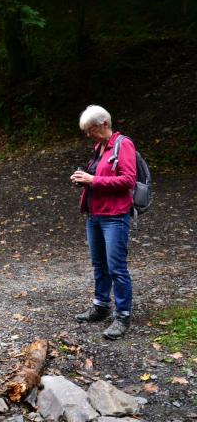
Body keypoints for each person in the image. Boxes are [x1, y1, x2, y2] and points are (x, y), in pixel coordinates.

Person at [71, 105, 137, 340]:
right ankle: (100, 306)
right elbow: (100, 177)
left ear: (104, 125)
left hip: (115, 217)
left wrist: (93, 179)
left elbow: (128, 180)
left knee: (116, 267)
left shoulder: (123, 145)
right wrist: (84, 180)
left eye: (91, 130)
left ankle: (123, 315)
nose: (88, 135)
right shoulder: (99, 147)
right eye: (86, 131)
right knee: (99, 264)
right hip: (94, 215)